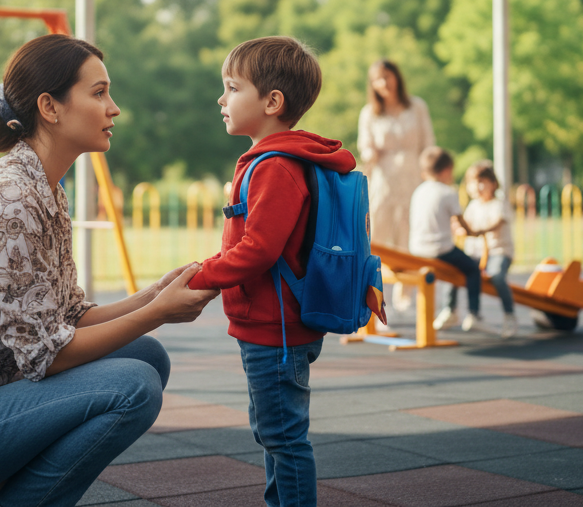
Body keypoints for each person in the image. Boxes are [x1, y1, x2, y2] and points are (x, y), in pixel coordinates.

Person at [0, 34, 220, 507]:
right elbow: (43, 356)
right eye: (98, 93)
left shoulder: (46, 190)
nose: (113, 108)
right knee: (133, 386)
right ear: (50, 108)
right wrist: (157, 311)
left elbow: (67, 317)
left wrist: (151, 296)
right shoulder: (10, 198)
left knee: (148, 357)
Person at [188, 36, 356, 507]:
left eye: (232, 87)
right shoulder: (276, 159)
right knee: (274, 435)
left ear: (272, 102)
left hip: (275, 329)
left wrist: (201, 276)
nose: (222, 99)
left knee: (283, 438)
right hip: (275, 324)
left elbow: (259, 249)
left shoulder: (275, 167)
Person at [357, 60, 434, 310]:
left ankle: (406, 290)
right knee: (379, 234)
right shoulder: (369, 112)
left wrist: (430, 174)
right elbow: (364, 145)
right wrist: (371, 153)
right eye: (378, 79)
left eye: (387, 77)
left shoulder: (417, 107)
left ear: (397, 78)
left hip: (413, 176)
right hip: (383, 179)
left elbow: (428, 143)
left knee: (410, 232)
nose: (384, 83)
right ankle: (375, 296)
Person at [408, 146, 490, 333]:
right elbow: (462, 223)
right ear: (446, 171)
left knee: (454, 267)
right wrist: (474, 233)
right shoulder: (448, 192)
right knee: (472, 269)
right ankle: (474, 314)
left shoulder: (419, 191)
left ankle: (450, 310)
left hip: (416, 248)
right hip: (439, 250)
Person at [459, 160, 517, 337]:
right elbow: (464, 225)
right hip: (476, 253)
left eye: (482, 181)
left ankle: (510, 315)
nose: (477, 186)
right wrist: (460, 228)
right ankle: (457, 311)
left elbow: (497, 222)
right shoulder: (472, 206)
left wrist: (478, 231)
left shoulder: (498, 204)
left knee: (497, 276)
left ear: (493, 184)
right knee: (454, 271)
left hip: (498, 251)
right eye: (473, 182)